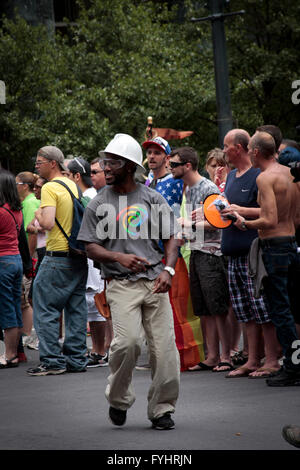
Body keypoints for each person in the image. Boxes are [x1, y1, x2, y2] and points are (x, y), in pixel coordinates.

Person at [78, 133, 180, 430]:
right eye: (105, 162)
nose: (105, 167)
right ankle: (118, 399)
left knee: (165, 351)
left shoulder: (152, 198)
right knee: (128, 344)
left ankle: (161, 409)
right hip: (121, 284)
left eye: (112, 162)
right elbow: (90, 246)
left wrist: (168, 271)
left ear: (129, 166)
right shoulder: (99, 202)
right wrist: (118, 257)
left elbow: (172, 236)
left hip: (155, 282)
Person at [233, 131, 300, 386]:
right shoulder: (289, 174)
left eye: (249, 148)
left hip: (274, 247)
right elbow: (292, 217)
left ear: (256, 152)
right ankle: (295, 364)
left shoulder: (264, 178)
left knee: (279, 309)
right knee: (292, 308)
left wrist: (243, 223)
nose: (248, 152)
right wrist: (245, 212)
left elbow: (269, 219)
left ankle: (292, 368)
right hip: (291, 243)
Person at [221, 129, 281, 378]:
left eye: (226, 146)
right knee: (245, 311)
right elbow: (231, 212)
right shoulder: (232, 176)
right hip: (232, 252)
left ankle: (272, 360)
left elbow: (271, 212)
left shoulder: (260, 174)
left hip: (253, 253)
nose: (223, 150)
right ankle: (252, 360)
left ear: (240, 147)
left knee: (262, 310)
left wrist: (241, 211)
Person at [26, 145, 88, 376]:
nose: (36, 166)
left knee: (45, 309)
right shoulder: (72, 184)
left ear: (53, 163)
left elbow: (49, 223)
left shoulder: (51, 187)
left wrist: (38, 215)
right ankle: (76, 359)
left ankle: (52, 361)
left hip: (56, 256)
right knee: (76, 309)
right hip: (77, 255)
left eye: (39, 162)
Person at [169, 147, 232, 373]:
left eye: (174, 164)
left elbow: (222, 220)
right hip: (196, 251)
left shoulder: (208, 187)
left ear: (187, 166)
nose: (170, 168)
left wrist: (190, 225)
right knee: (204, 309)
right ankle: (212, 355)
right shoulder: (188, 189)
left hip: (212, 253)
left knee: (218, 307)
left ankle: (226, 355)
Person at [67, 156, 111, 367]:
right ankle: (98, 349)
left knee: (96, 301)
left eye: (95, 172)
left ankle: (101, 350)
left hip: (95, 254)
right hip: (90, 254)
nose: (91, 176)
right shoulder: (86, 194)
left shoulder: (90, 196)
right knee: (92, 302)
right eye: (91, 172)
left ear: (76, 176)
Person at [15, 171, 40, 360]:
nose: (15, 186)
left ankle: (32, 335)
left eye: (17, 183)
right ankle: (28, 335)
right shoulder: (26, 202)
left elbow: (30, 232)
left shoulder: (30, 203)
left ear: (25, 185)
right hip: (28, 255)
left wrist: (29, 257)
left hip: (30, 255)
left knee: (29, 298)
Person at [0, 170, 23, 368]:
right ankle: (14, 352)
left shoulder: (0, 212)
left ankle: (9, 355)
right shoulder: (16, 210)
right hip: (15, 259)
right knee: (15, 307)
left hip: (3, 261)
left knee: (6, 308)